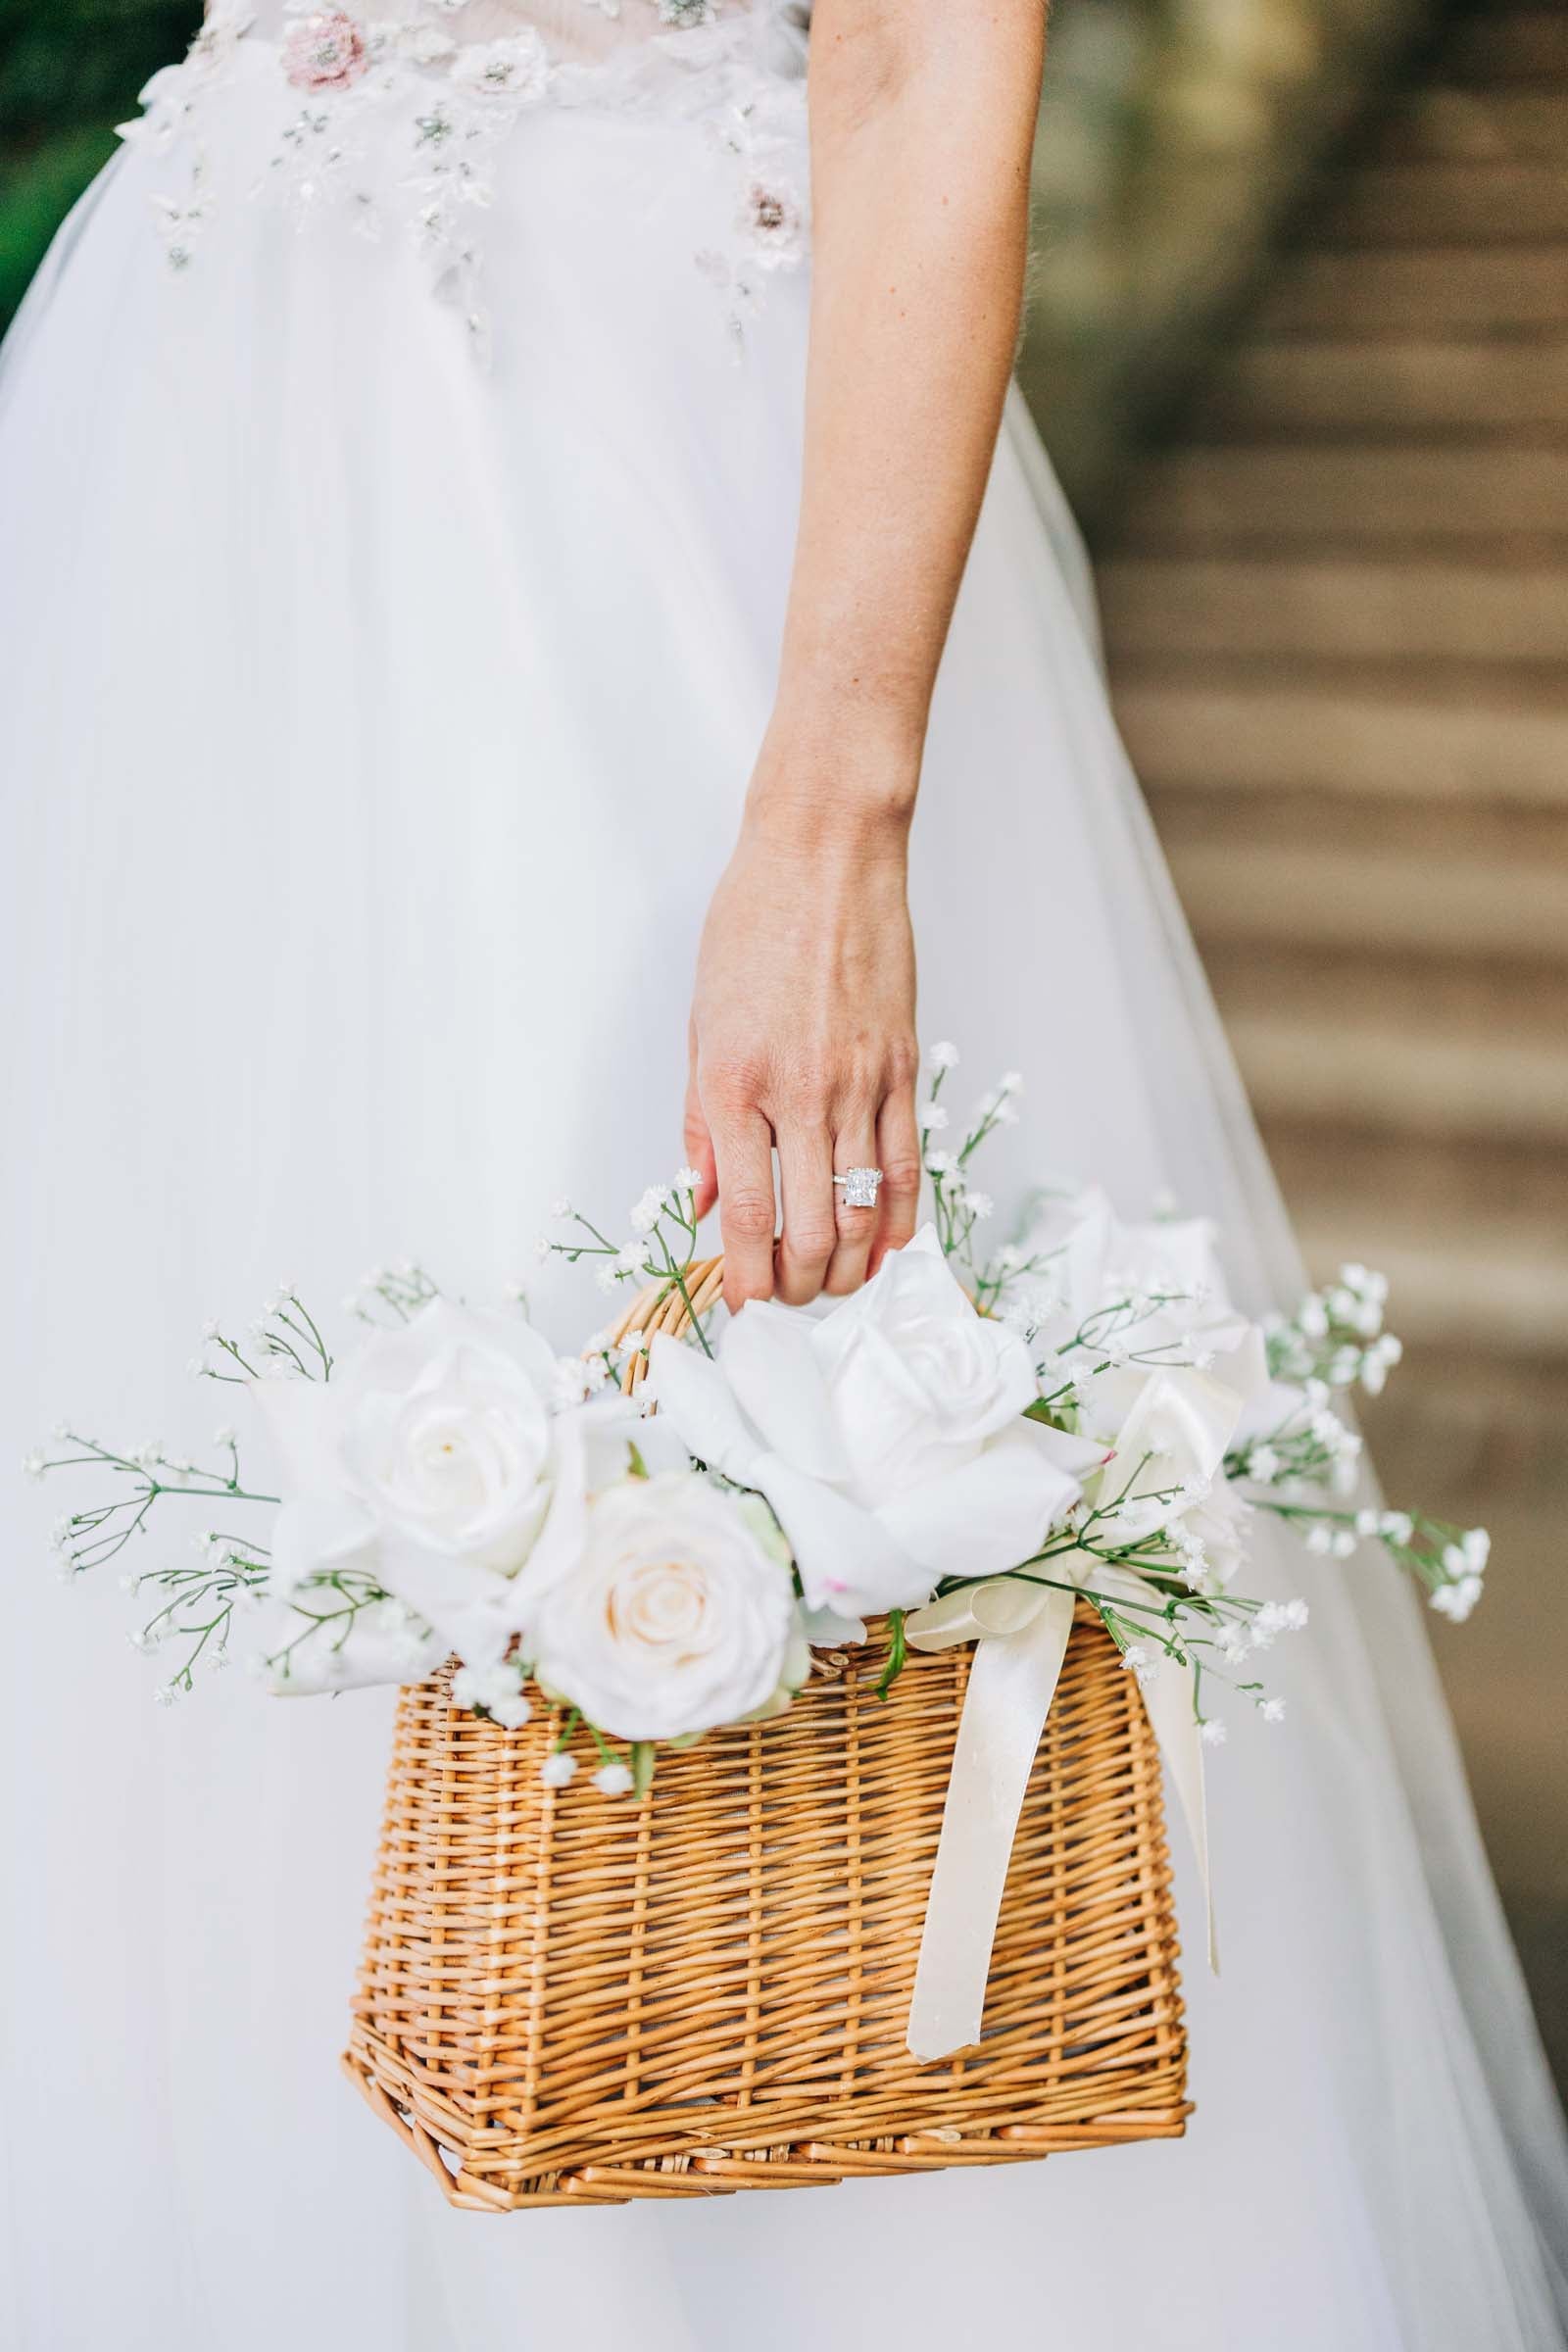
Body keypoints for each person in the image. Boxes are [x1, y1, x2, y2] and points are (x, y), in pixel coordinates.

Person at [3, 3, 1566, 2345]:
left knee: (711, 1486)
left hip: (633, 478)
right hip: (193, 459)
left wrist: (831, 805)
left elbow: (935, 49)